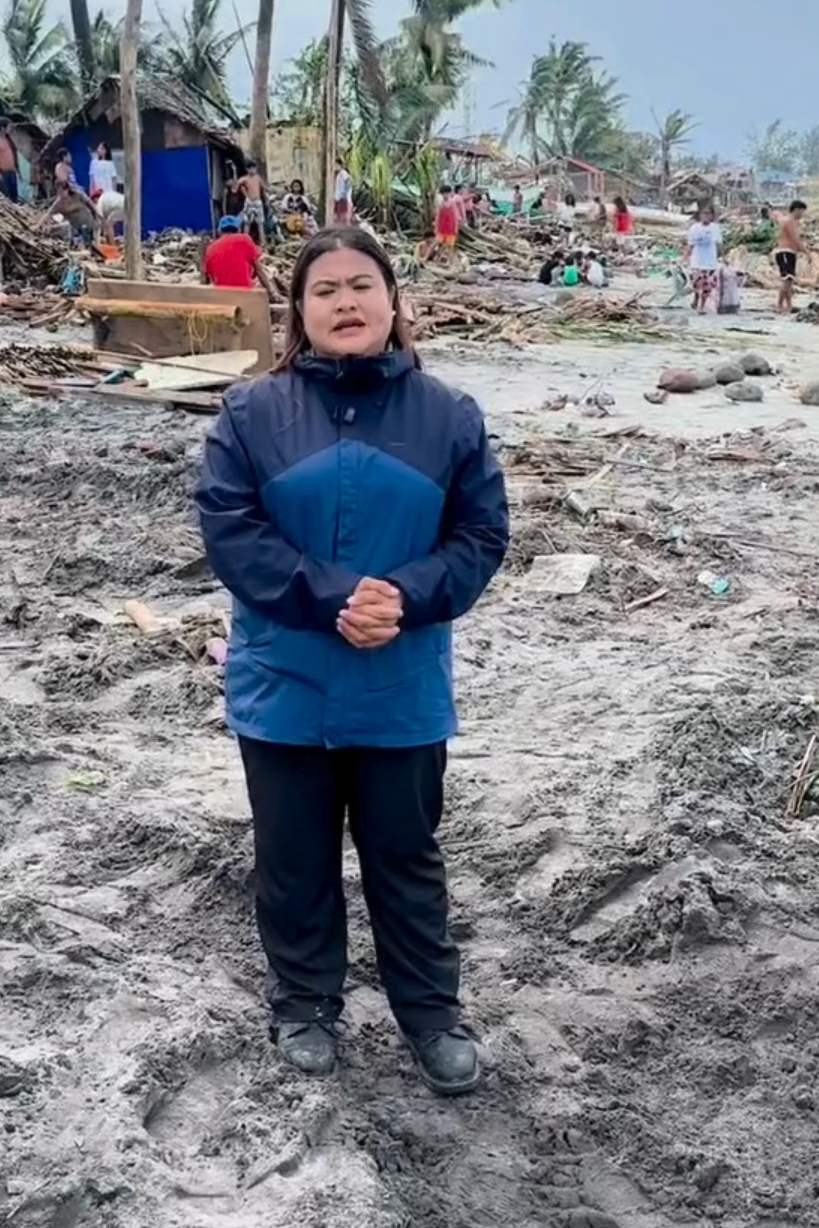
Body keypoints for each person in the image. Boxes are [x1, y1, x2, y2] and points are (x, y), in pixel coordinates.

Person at [195, 225, 508, 1095]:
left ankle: (432, 1015)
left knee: (404, 855)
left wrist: (404, 596)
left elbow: (482, 535)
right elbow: (232, 531)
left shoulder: (448, 416)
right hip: (284, 682)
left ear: (393, 301)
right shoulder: (252, 414)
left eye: (361, 285)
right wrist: (335, 599)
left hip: (399, 685)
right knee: (293, 856)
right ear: (297, 310)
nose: (345, 302)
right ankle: (304, 1002)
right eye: (324, 289)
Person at [202, 216, 263, 290]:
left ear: (219, 231)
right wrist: (273, 293)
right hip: (245, 293)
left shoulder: (211, 248)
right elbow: (259, 269)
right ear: (238, 229)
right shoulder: (245, 239)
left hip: (222, 294)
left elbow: (208, 278)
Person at [686, 204, 722, 314]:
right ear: (700, 215)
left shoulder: (715, 228)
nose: (706, 216)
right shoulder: (695, 228)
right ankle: (696, 299)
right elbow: (690, 245)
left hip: (710, 261)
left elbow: (719, 244)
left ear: (712, 216)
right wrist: (685, 257)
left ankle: (702, 305)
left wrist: (721, 257)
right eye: (704, 213)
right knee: (696, 284)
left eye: (708, 214)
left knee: (707, 285)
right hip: (697, 261)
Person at [774, 200, 807, 313]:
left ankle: (788, 305)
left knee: (789, 281)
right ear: (797, 210)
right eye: (802, 212)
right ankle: (779, 305)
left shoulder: (790, 221)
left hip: (790, 253)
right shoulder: (789, 221)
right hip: (785, 252)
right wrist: (806, 252)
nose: (802, 215)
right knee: (786, 280)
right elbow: (795, 239)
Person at [0, 119, 21, 202]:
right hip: (3, 173)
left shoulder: (9, 140)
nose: (10, 129)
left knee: (14, 196)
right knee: (5, 196)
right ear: (2, 128)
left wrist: (17, 170)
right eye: (9, 127)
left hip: (12, 172)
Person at [238, 161, 268, 245]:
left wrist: (268, 197)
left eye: (253, 168)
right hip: (249, 202)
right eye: (250, 168)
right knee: (247, 222)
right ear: (247, 169)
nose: (252, 170)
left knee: (260, 222)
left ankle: (263, 242)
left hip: (257, 201)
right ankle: (244, 241)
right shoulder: (245, 179)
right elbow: (238, 183)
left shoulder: (258, 178)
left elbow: (264, 188)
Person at [435, 187, 461, 263]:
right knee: (438, 244)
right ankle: (437, 258)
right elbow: (438, 216)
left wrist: (456, 227)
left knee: (450, 246)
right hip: (441, 227)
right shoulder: (440, 203)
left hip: (450, 227)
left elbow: (455, 216)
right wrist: (436, 227)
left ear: (450, 193)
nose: (445, 195)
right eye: (443, 194)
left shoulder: (453, 203)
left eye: (446, 193)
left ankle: (450, 261)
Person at [333, 159, 354, 225]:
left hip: (344, 199)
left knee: (344, 219)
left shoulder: (343, 173)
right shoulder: (338, 175)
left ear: (340, 165)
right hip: (339, 199)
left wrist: (344, 194)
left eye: (336, 165)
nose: (334, 167)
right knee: (340, 219)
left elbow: (349, 182)